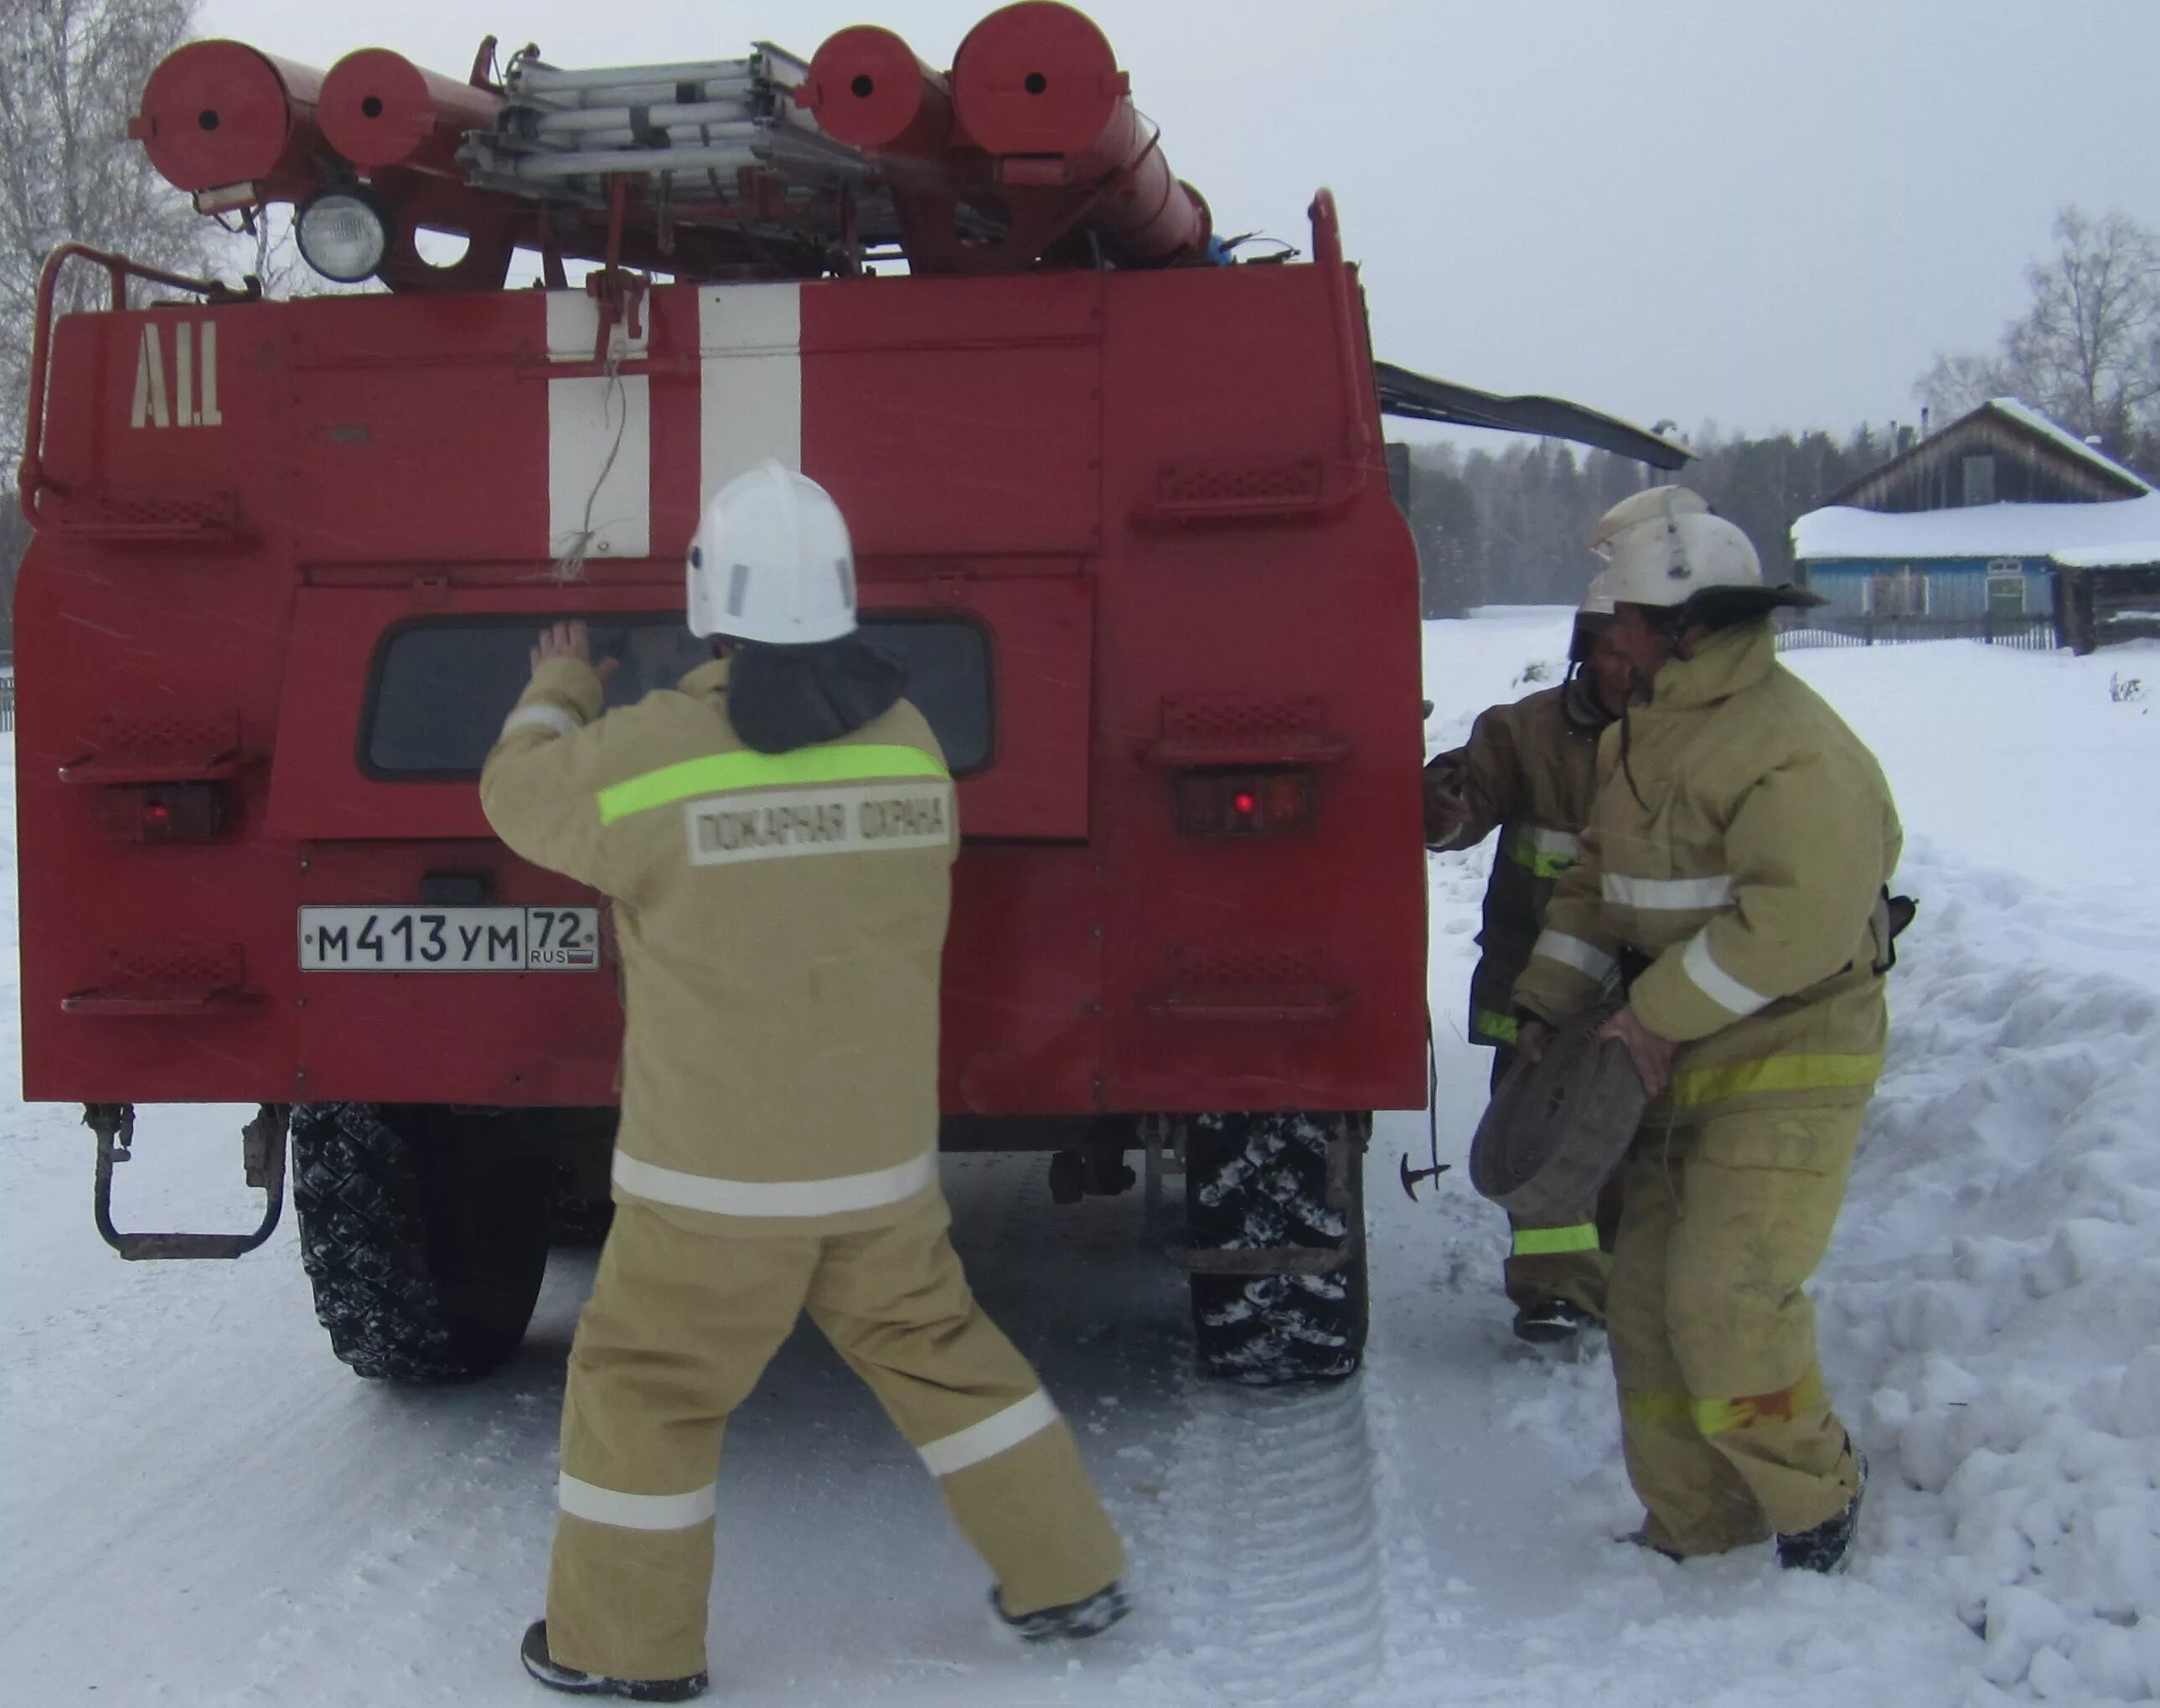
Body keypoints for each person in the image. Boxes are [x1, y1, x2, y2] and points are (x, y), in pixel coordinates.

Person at [483, 462, 1127, 1700]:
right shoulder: (909, 741)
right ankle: (1070, 1569)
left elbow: (515, 798)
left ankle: (622, 1648)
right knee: (942, 1353)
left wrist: (557, 687)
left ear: (703, 599)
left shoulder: (654, 749)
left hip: (706, 1179)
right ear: (840, 595)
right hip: (876, 1167)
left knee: (648, 1387)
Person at [1511, 488, 1902, 1573]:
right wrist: (1547, 1006)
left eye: (1618, 622)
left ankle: (1814, 1499)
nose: (1604, 644)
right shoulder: (1645, 738)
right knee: (1641, 1304)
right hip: (1673, 1061)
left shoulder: (1790, 750)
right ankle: (1696, 1521)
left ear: (1684, 623)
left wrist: (1647, 1014)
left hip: (1788, 1055)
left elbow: (1793, 926)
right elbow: (1596, 885)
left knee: (1723, 1296)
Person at [1424, 584, 1639, 1344]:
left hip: (1650, 986)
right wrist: (1441, 807)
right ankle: (1556, 1289)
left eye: (1638, 643)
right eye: (1611, 646)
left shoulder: (1691, 740)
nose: (1627, 663)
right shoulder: (1526, 732)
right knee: (1543, 1136)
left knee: (1634, 1140)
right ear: (1587, 648)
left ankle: (1628, 1275)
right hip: (1538, 982)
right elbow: (1467, 790)